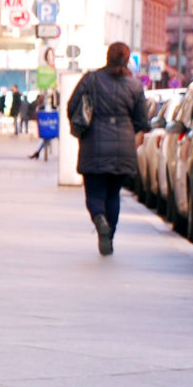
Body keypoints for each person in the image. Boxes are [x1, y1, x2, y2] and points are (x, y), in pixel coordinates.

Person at [68, 41, 148, 255]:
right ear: (127, 59)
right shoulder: (134, 85)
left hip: (93, 144)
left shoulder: (91, 79)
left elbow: (72, 106)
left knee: (94, 193)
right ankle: (109, 235)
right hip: (123, 147)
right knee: (113, 194)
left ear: (107, 57)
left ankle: (99, 219)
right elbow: (142, 121)